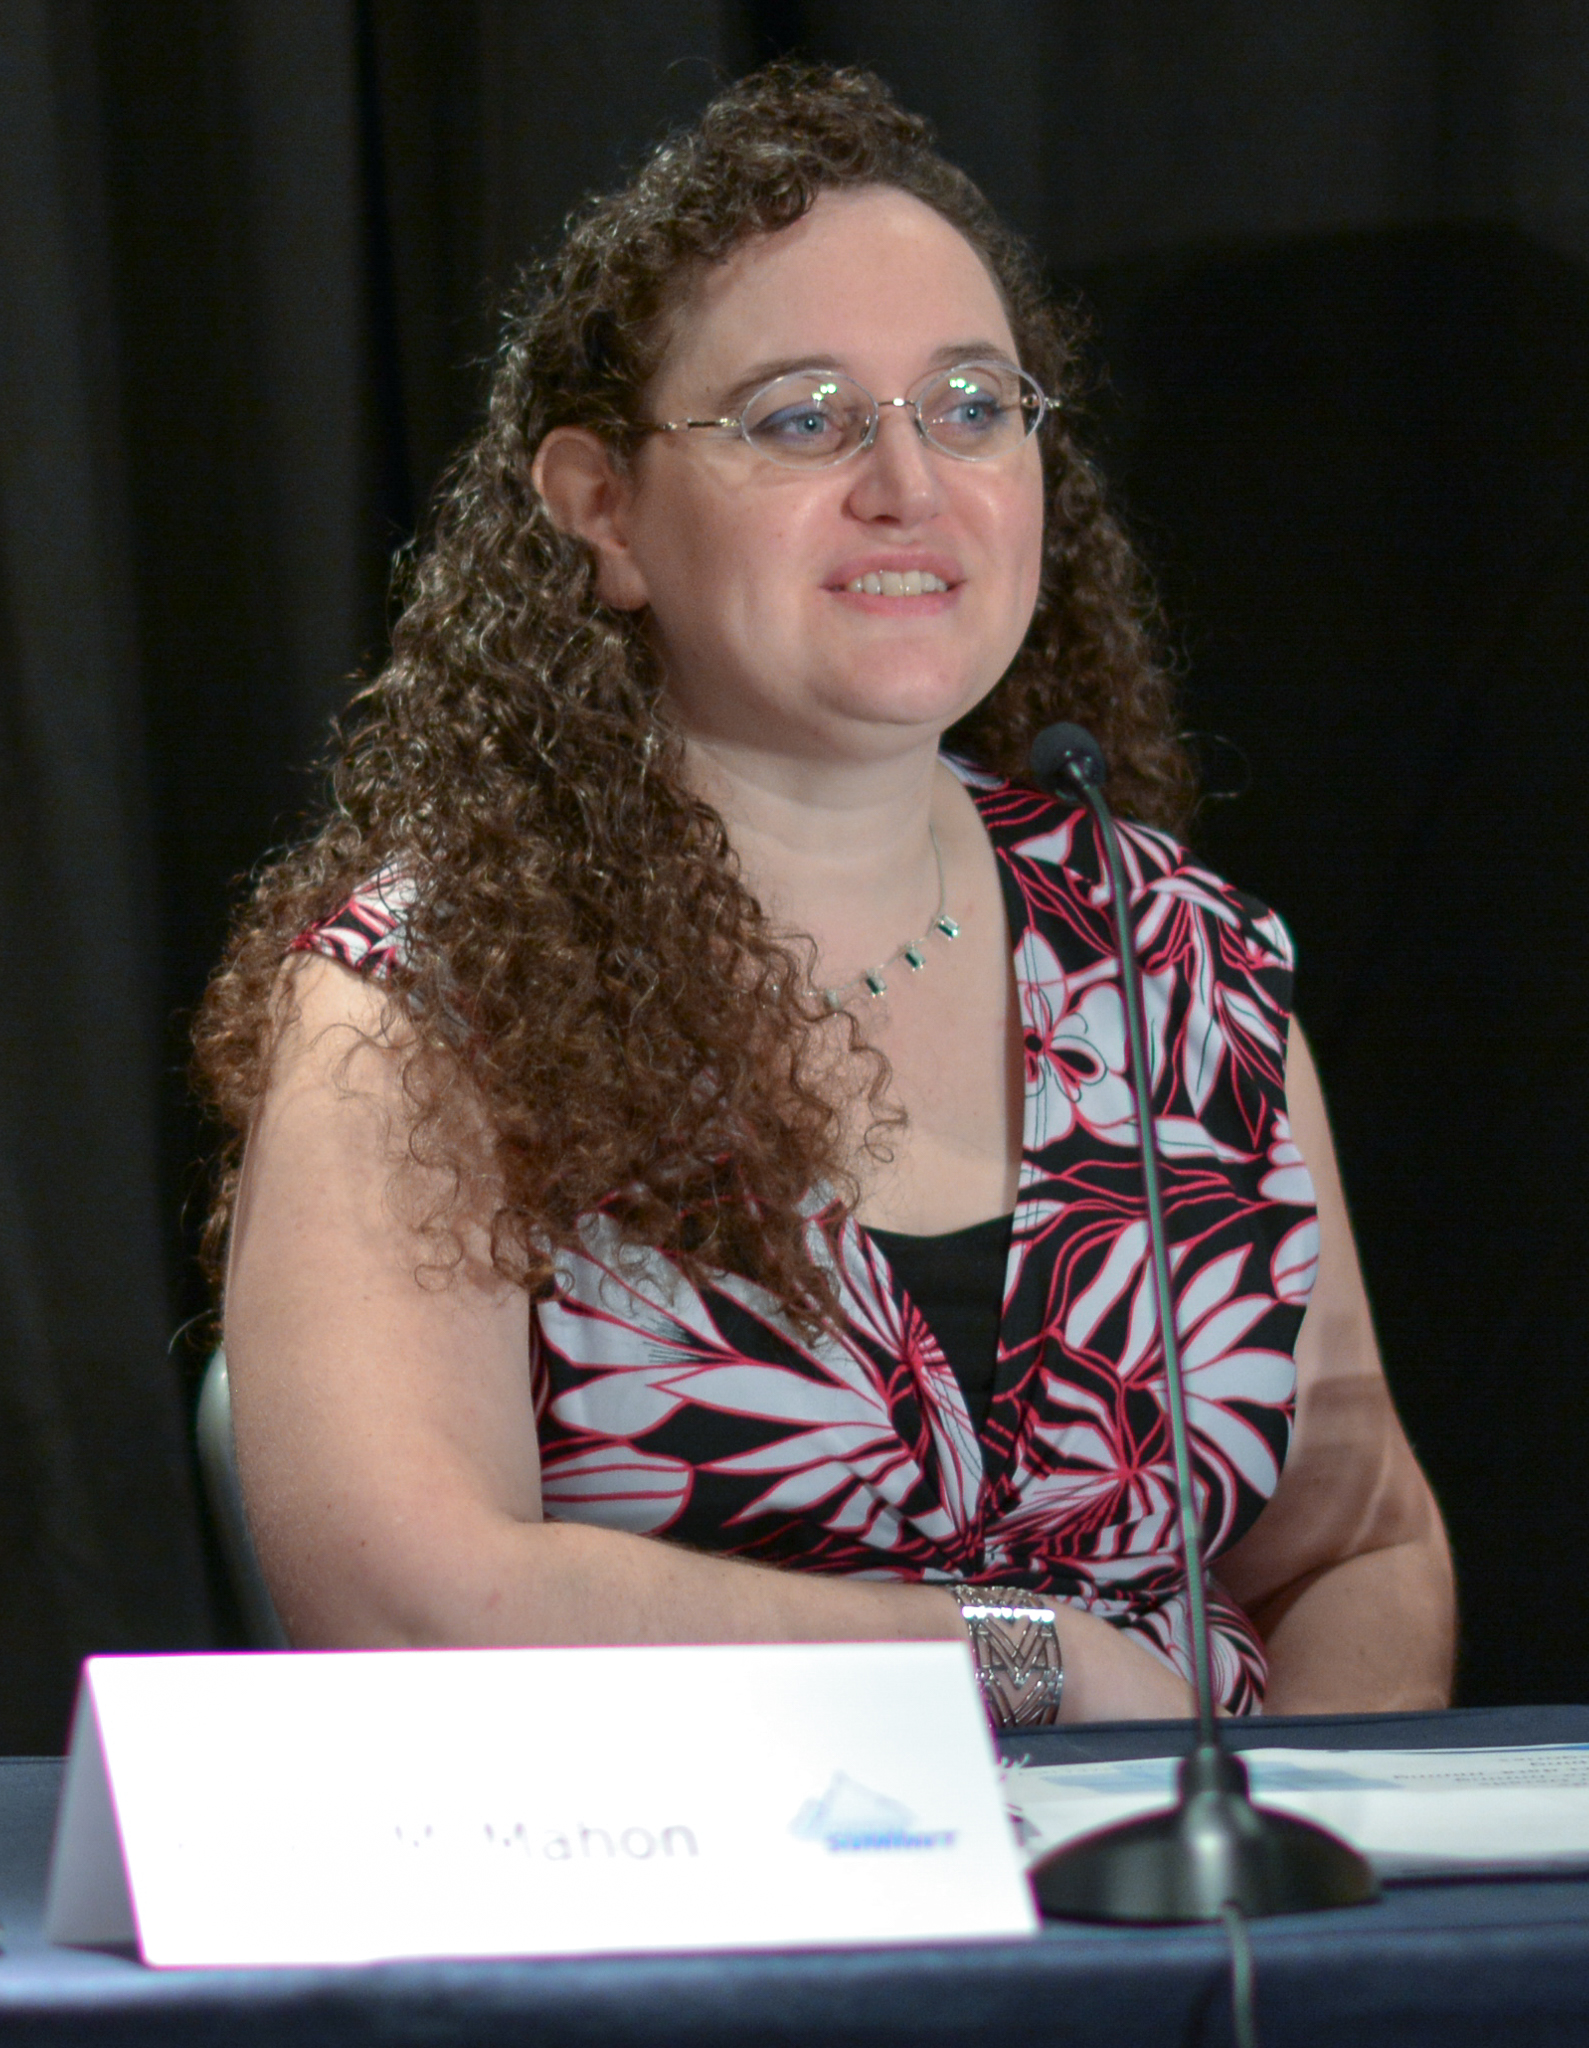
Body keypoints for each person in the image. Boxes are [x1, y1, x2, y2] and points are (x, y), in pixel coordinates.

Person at [198, 63, 1454, 1723]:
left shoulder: (1182, 961)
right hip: (705, 1941)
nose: (908, 485)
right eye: (802, 417)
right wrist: (1018, 1664)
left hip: (1193, 1939)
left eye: (970, 406)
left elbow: (1351, 1547)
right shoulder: (423, 996)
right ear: (603, 514)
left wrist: (1307, 1874)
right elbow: (413, 1602)